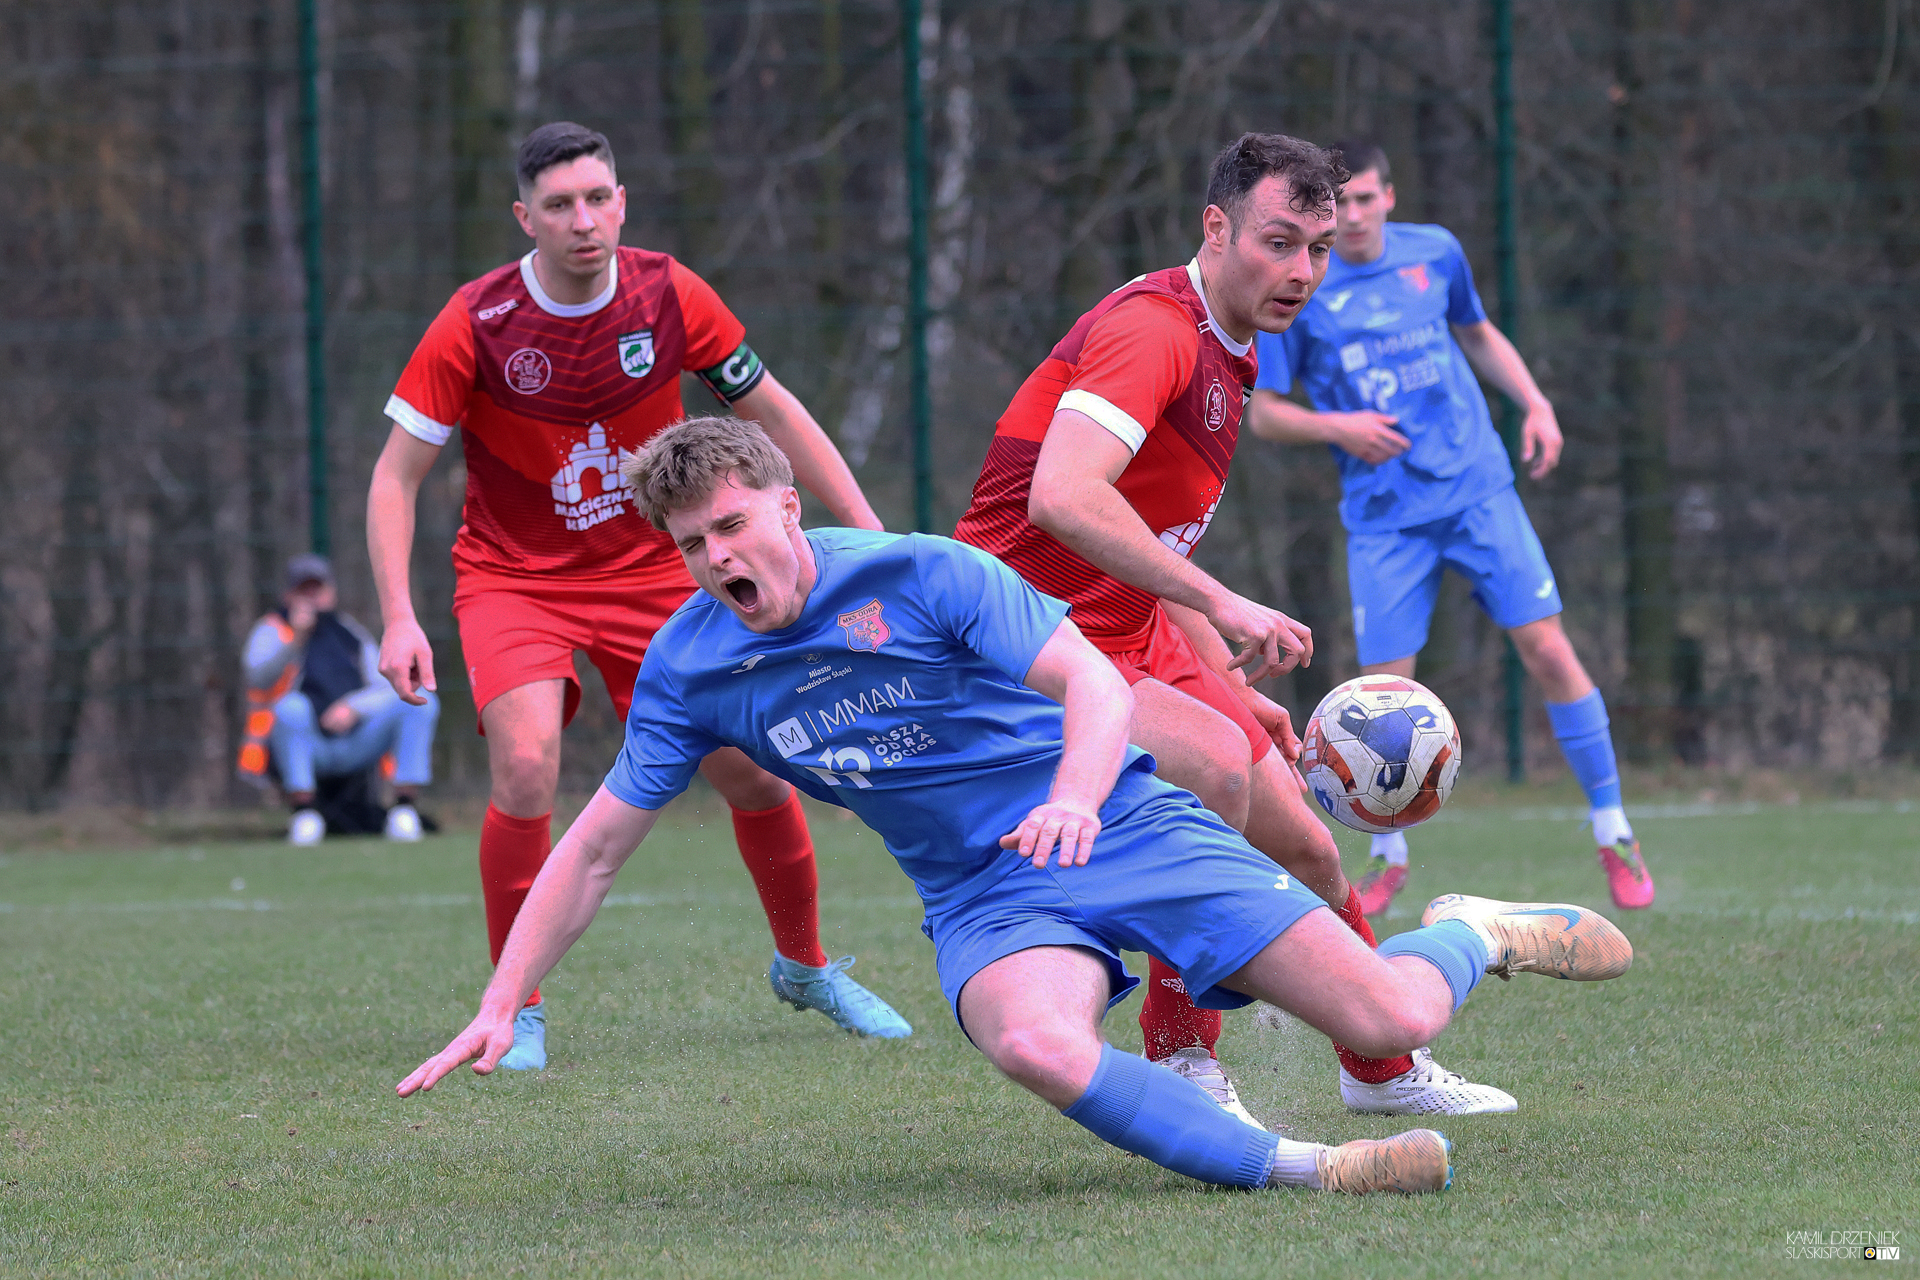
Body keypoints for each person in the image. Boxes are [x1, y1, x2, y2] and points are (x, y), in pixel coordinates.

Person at [397, 418, 1636, 1198]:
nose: (718, 559)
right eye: (689, 544)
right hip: (986, 896)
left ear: (786, 509)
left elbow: (1094, 683)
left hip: (1123, 823)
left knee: (1395, 1010)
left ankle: (1470, 927)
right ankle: (1315, 1166)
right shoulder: (692, 664)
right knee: (1034, 1041)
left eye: (731, 526)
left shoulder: (923, 571)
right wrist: (505, 997)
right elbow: (595, 846)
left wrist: (1076, 798)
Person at [953, 133, 1514, 1119]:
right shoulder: (1154, 330)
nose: (1303, 271)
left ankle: (1380, 1070)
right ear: (1216, 227)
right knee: (1214, 768)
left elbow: (1145, 532)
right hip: (1024, 637)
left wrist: (1221, 669)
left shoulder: (1235, 342)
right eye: (1279, 241)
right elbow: (1064, 496)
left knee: (1308, 846)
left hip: (1127, 625)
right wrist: (1224, 602)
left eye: (1319, 248)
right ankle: (1181, 1055)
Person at [366, 121, 910, 1072]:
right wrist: (399, 616)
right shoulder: (478, 320)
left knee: (752, 768)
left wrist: (867, 530)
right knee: (525, 765)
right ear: (524, 217)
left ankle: (806, 966)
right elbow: (393, 475)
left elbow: (773, 411)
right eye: (560, 205)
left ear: (621, 202)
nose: (584, 221)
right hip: (514, 577)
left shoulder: (668, 293)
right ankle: (516, 1009)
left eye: (598, 198)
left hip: (660, 571)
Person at [1247, 139, 1653, 917]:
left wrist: (1535, 403)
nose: (1353, 216)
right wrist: (1339, 427)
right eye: (1339, 205)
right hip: (1385, 521)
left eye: (1366, 199)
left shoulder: (1435, 253)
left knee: (1548, 649)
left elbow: (1479, 333)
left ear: (1390, 197)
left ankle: (1614, 828)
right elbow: (1265, 414)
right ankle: (1388, 854)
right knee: (1384, 699)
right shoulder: (1303, 283)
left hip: (1476, 491)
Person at [238, 554, 440, 846]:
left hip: (356, 739)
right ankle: (304, 814)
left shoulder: (349, 631)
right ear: (288, 595)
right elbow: (258, 677)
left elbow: (385, 686)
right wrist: (296, 639)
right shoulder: (272, 630)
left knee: (419, 700)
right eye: (303, 590)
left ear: (330, 592)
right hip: (303, 743)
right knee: (292, 708)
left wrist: (354, 707)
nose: (312, 597)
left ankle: (404, 811)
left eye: (317, 588)